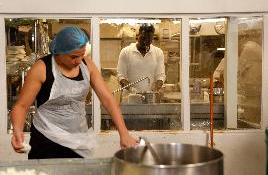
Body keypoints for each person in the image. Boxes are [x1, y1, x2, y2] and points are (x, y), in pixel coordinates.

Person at [10, 26, 138, 159]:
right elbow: (21, 106)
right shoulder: (42, 68)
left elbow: (108, 99)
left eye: (82, 55)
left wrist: (124, 134)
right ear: (59, 52)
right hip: (46, 139)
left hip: (77, 140)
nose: (78, 60)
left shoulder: (87, 66)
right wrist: (17, 131)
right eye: (73, 56)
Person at [117, 24, 166, 93]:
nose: (145, 42)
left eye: (149, 39)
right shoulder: (126, 52)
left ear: (152, 38)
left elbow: (160, 76)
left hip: (149, 97)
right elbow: (120, 76)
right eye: (143, 38)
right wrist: (132, 90)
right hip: (129, 98)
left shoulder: (158, 53)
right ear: (138, 36)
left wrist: (154, 89)